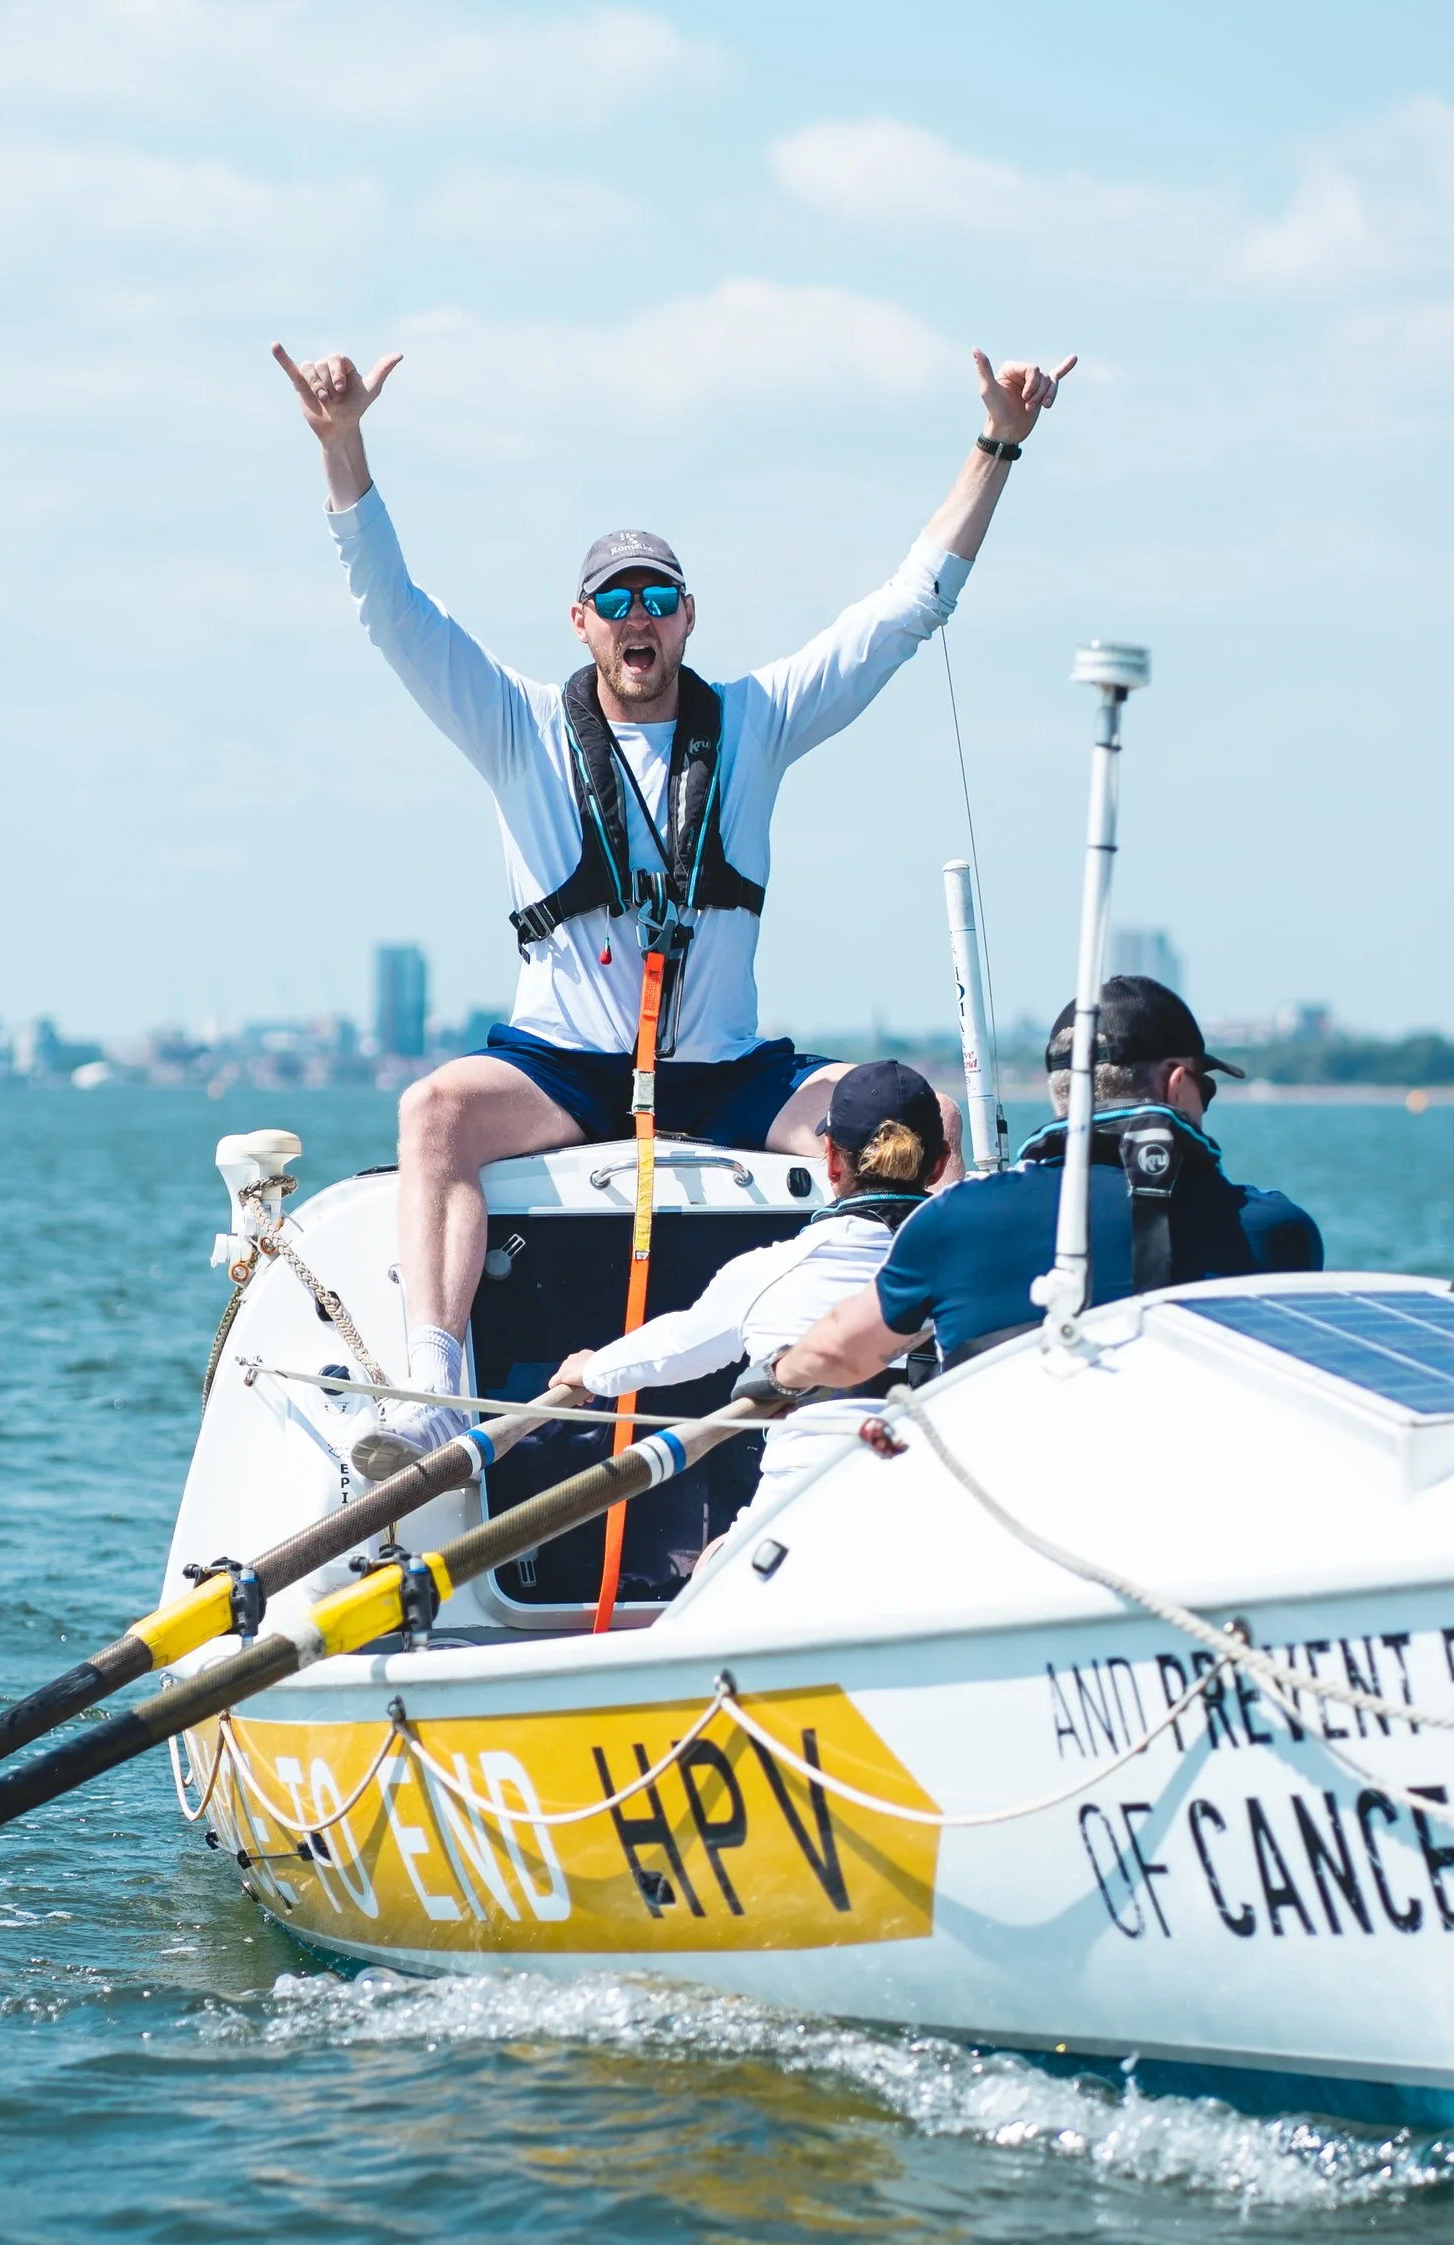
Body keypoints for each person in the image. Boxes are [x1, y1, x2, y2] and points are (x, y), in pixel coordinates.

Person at [273, 332, 1077, 1447]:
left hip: (721, 1072)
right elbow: (392, 609)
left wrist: (997, 444)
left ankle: (948, 1364)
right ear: (581, 624)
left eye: (657, 596)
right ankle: (431, 1392)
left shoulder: (755, 720)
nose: (636, 616)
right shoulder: (514, 728)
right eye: (614, 600)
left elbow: (904, 611)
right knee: (435, 1113)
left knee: (924, 1118)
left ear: (688, 617)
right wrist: (342, 446)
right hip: (562, 1066)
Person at [749, 976, 1323, 1404]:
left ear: (1059, 1093)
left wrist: (777, 1376)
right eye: (1207, 1089)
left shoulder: (953, 1220)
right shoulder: (1276, 1234)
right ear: (1177, 1085)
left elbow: (840, 1350)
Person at [544, 1060, 956, 1532]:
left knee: (713, 1563)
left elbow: (677, 1348)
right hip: (940, 1520)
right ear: (940, 1164)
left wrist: (592, 1370)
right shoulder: (989, 1271)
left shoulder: (771, 1271)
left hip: (799, 1523)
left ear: (832, 1159)